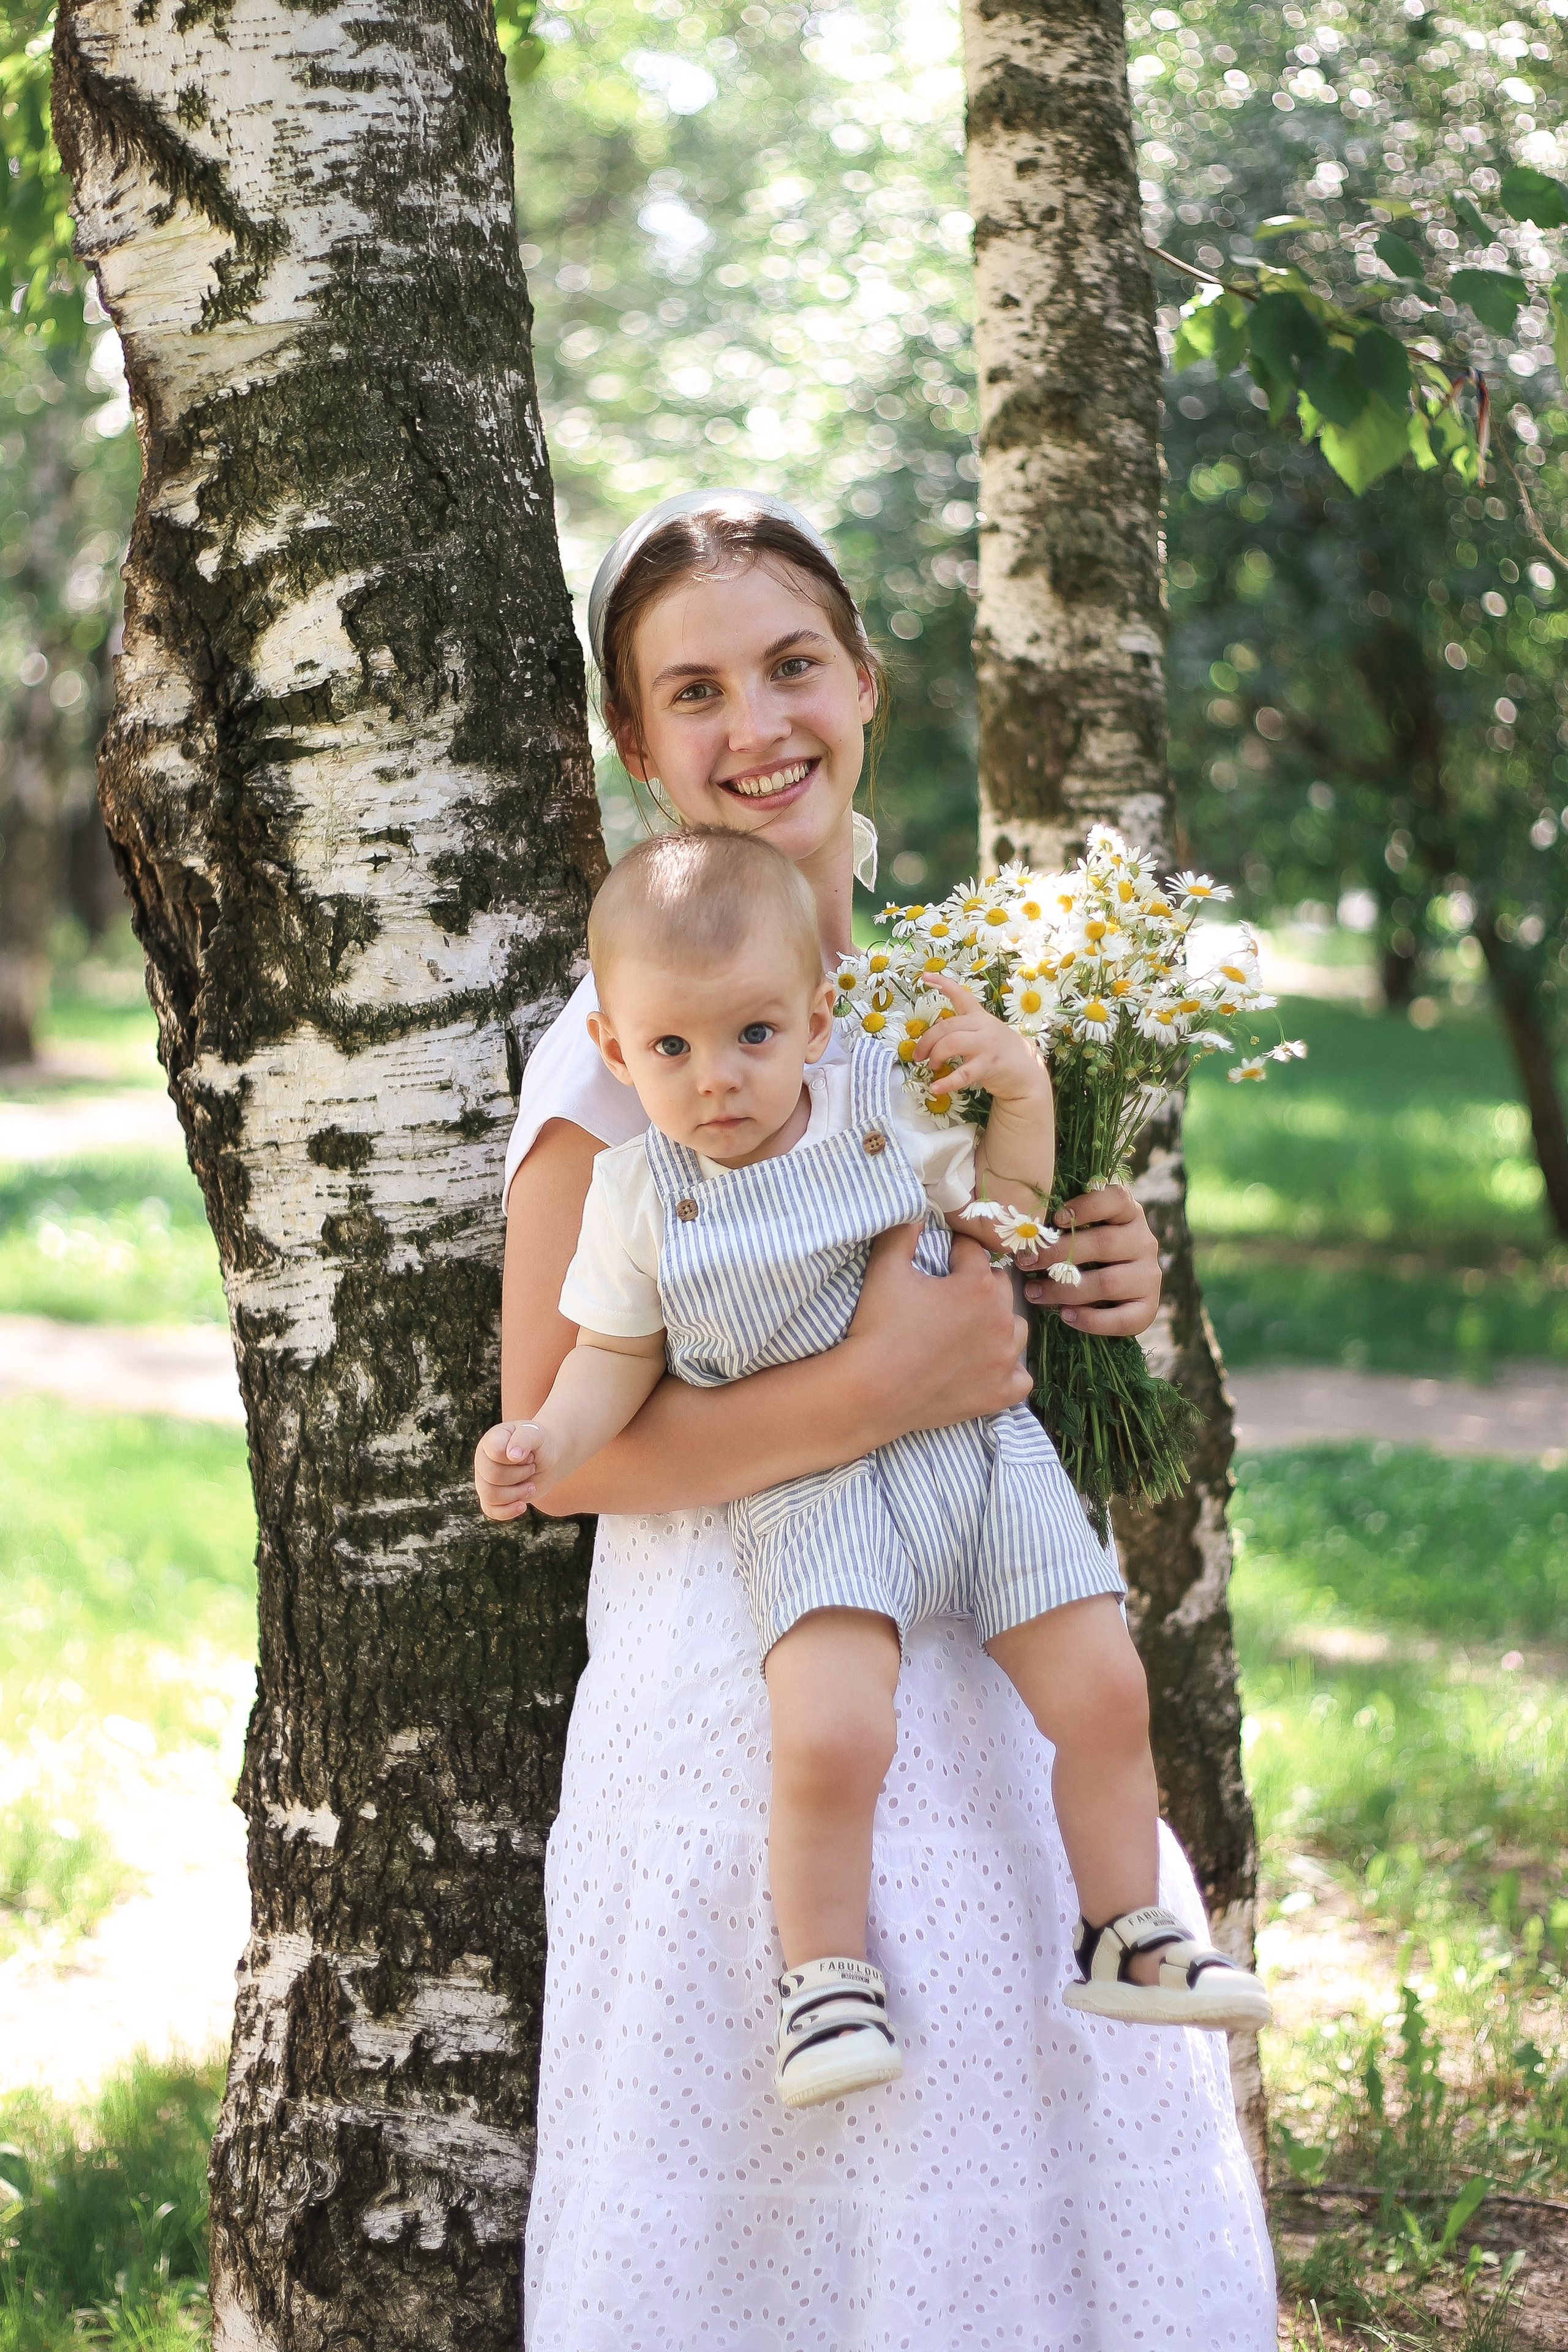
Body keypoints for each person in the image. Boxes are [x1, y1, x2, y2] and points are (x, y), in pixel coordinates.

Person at [479, 491, 1275, 2346]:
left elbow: (982, 1289)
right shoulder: (624, 1059)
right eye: (695, 692)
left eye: (793, 667)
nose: (756, 725)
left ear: (867, 690)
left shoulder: (938, 1006)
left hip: (983, 1679)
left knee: (1004, 2190)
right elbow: (560, 1435)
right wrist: (877, 1387)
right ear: (634, 747)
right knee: (783, 2229)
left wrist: (1094, 1291)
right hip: (736, 1702)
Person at [481, 824, 1271, 2110]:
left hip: (976, 1454)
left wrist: (1024, 1095)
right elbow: (604, 1368)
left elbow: (1004, 1226)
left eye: (751, 1036)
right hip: (816, 1484)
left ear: (813, 1019)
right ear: (617, 1052)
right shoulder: (638, 1195)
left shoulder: (881, 1109)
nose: (717, 1079)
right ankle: (825, 1979)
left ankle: (1127, 1927)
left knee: (1103, 1688)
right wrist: (540, 1446)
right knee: (834, 1730)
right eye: (671, 1051)